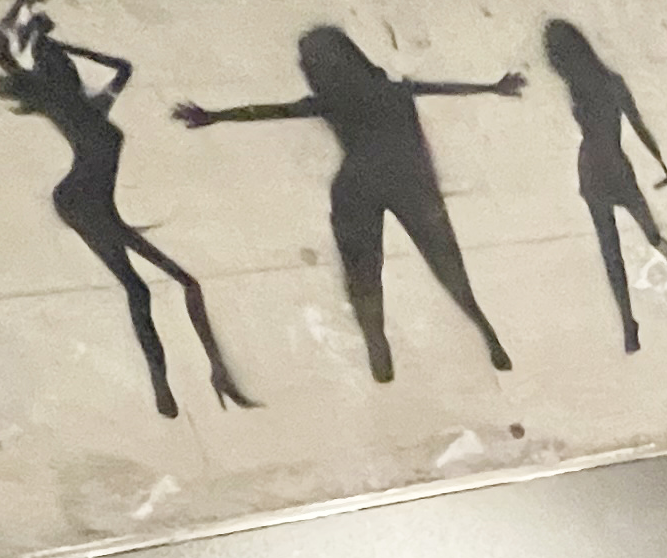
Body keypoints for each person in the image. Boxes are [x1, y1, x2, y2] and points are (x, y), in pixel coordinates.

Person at [175, 25, 524, 381]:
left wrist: (214, 115)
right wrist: (494, 87)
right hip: (409, 185)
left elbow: (274, 111)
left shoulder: (334, 99)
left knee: (364, 276)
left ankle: (379, 346)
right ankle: (484, 333)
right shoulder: (390, 90)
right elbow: (444, 88)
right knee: (444, 262)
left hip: (359, 188)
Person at [0, 0, 252, 416]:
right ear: (51, 73)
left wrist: (54, 41)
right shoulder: (53, 99)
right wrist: (22, 12)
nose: (70, 69)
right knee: (165, 285)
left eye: (68, 64)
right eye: (61, 65)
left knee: (148, 288)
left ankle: (190, 382)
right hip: (81, 202)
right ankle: (178, 383)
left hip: (90, 203)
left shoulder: (93, 107)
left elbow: (123, 67)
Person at [540, 20, 667, 355]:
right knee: (653, 239)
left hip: (594, 170)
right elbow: (639, 126)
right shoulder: (610, 82)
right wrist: (662, 165)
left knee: (614, 252)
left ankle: (630, 324)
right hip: (614, 168)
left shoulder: (577, 87)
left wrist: (662, 164)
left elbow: (634, 127)